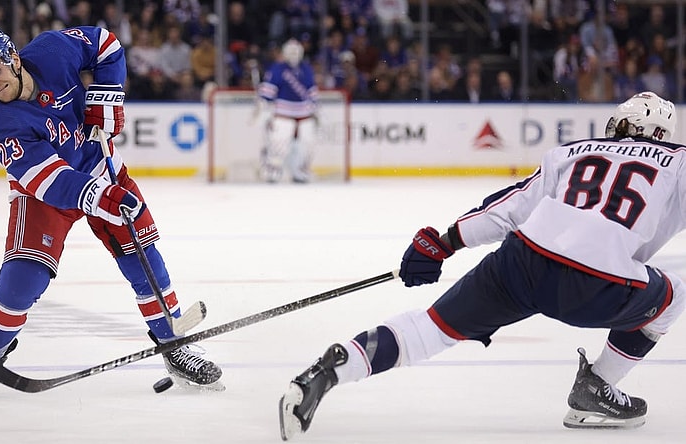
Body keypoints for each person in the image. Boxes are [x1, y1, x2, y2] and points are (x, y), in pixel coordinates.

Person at [278, 91, 684, 439]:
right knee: (676, 291)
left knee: (430, 328)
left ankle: (328, 371)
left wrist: (445, 242)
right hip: (599, 284)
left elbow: (509, 209)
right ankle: (597, 385)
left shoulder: (571, 152)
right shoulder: (679, 162)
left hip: (524, 261)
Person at [0, 26, 223, 397]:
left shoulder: (52, 50)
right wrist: (103, 198)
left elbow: (106, 45)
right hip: (42, 194)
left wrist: (107, 99)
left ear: (13, 58)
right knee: (22, 281)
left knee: (142, 255)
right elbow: (54, 183)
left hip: (97, 161)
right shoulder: (2, 128)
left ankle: (174, 344)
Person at [257, 38, 319, 183]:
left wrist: (315, 109)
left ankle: (300, 170)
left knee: (308, 144)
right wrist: (263, 108)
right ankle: (272, 170)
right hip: (283, 113)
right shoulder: (277, 69)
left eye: (296, 51)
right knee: (278, 144)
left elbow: (312, 91)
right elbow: (267, 93)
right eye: (290, 51)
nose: (293, 54)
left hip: (304, 113)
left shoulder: (306, 69)